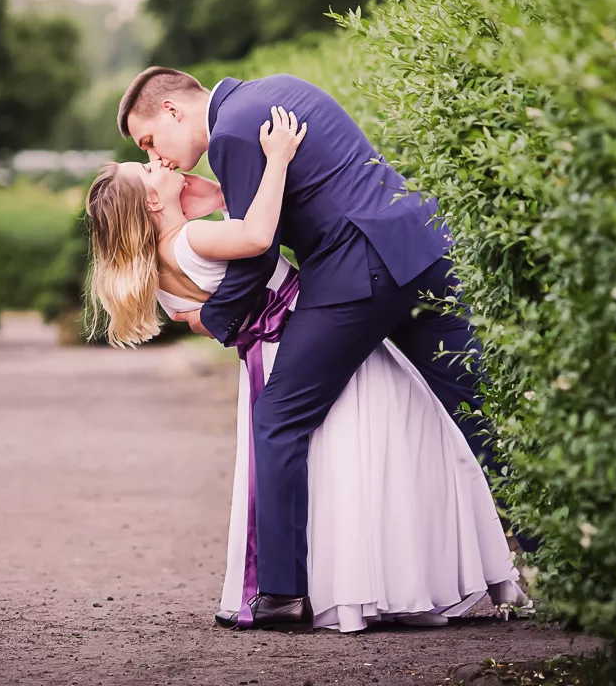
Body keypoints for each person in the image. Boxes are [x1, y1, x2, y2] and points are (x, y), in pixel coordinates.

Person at [87, 103, 521, 632]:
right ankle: (368, 578)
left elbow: (204, 316)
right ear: (151, 201)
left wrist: (204, 197)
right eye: (149, 165)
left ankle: (293, 588)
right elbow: (256, 239)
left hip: (267, 355)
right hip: (314, 329)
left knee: (310, 453)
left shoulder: (160, 265)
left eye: (150, 148)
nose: (159, 161)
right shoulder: (195, 239)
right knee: (388, 439)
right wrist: (276, 159)